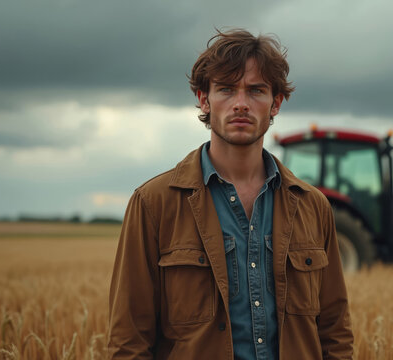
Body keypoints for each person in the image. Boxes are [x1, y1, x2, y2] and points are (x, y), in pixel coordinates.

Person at [108, 29, 353, 360]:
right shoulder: (153, 203)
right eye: (226, 89)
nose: (241, 104)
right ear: (204, 99)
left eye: (256, 91)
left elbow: (335, 331)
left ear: (276, 103)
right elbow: (128, 341)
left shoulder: (313, 206)